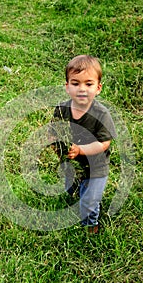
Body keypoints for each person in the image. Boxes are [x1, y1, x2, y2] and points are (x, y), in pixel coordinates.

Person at [52, 55, 117, 234]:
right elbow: (54, 131)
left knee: (89, 201)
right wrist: (54, 144)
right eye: (75, 83)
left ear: (98, 88)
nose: (82, 89)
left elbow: (104, 143)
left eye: (88, 84)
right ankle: (77, 197)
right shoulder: (62, 109)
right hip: (71, 164)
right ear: (67, 87)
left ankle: (90, 225)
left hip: (96, 167)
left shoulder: (101, 114)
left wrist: (81, 150)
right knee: (71, 189)